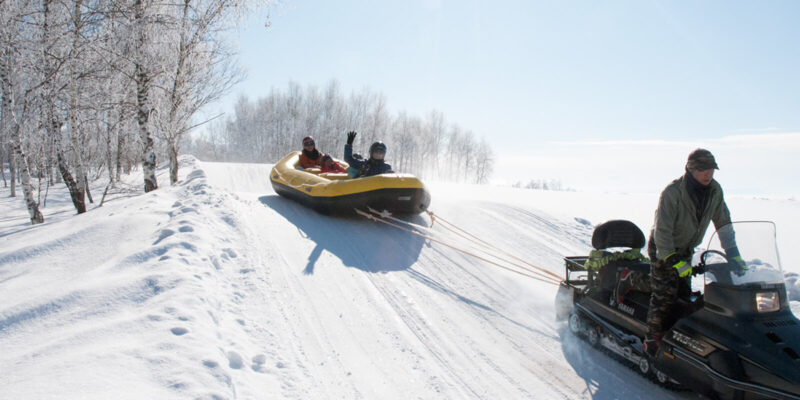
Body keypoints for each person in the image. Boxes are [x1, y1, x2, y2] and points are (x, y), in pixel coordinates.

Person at [640, 148, 740, 357]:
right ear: (691, 169)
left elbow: (723, 220)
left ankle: (680, 340)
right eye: (703, 170)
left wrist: (733, 252)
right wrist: (672, 259)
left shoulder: (714, 190)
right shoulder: (673, 192)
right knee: (665, 294)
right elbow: (663, 229)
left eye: (711, 169)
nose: (708, 174)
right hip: (663, 246)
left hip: (685, 248)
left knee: (685, 294)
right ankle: (652, 341)